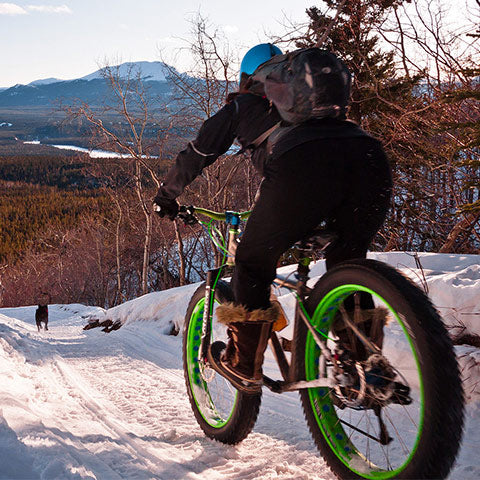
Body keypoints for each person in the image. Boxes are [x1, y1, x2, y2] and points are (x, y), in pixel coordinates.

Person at [153, 43, 392, 393]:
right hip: (370, 160)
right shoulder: (310, 104)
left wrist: (166, 196)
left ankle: (244, 363)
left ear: (248, 79)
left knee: (251, 262)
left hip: (302, 170)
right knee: (346, 261)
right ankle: (365, 367)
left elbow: (198, 153)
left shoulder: (244, 105)